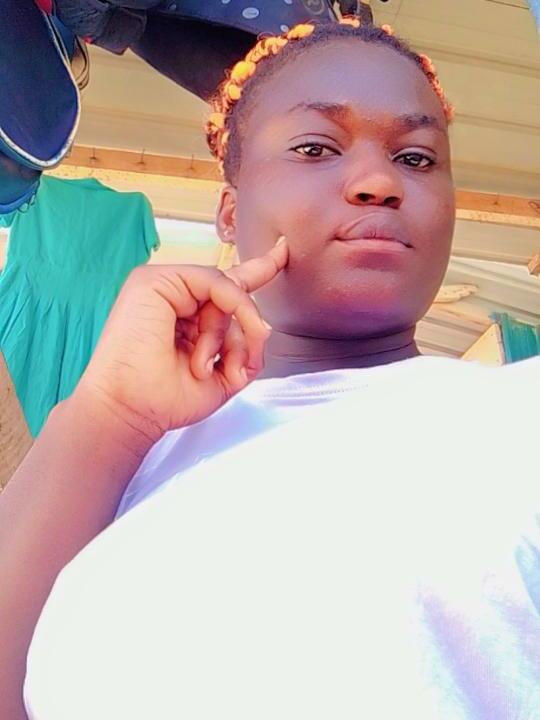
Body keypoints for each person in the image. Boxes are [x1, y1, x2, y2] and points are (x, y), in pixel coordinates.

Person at [0, 17, 539, 720]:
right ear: (230, 213)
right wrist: (110, 412)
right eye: (316, 147)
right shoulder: (121, 464)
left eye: (416, 157)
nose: (378, 181)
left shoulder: (518, 417)